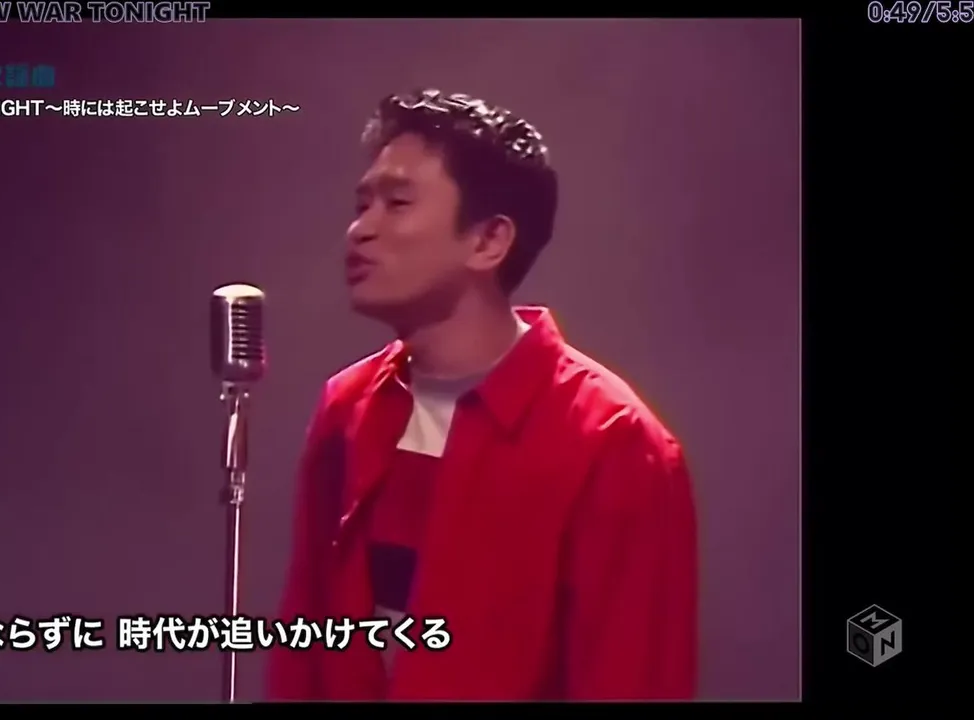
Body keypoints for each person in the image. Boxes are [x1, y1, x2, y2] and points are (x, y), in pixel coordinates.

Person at [264, 89, 697, 701]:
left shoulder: (613, 442)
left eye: (398, 203)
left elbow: (631, 679)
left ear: (489, 240)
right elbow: (305, 648)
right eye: (362, 205)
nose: (361, 229)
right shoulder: (348, 406)